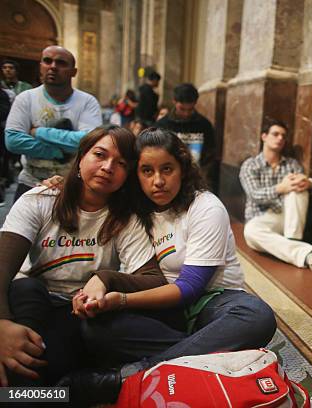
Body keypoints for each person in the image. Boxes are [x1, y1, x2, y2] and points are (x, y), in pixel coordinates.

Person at [59, 128, 277, 406]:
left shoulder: (206, 207)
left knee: (255, 315)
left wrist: (122, 300)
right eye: (146, 171)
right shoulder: (137, 209)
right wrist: (62, 184)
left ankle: (128, 377)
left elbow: (190, 288)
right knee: (96, 328)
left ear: (183, 169)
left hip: (211, 305)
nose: (158, 181)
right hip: (166, 311)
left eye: (167, 169)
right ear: (135, 175)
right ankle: (205, 350)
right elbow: (89, 193)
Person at [0, 125, 164, 388]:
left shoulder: (125, 218)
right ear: (81, 159)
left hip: (77, 312)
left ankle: (45, 393)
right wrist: (2, 326)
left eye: (121, 163)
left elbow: (154, 279)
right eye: (99, 155)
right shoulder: (40, 200)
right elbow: (2, 269)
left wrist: (105, 278)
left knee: (44, 367)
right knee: (26, 290)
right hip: (30, 302)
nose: (108, 167)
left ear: (127, 175)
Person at [4, 46, 102, 202]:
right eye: (47, 61)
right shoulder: (25, 99)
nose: (53, 67)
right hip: (31, 182)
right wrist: (57, 152)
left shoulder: (87, 102)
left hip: (72, 185)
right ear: (41, 66)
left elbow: (89, 141)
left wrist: (39, 132)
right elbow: (13, 140)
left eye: (61, 63)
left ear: (73, 72)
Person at [239, 119, 312, 275]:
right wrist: (281, 188)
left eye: (283, 135)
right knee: (251, 232)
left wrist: (308, 182)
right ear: (264, 137)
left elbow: (304, 186)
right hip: (262, 218)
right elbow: (255, 195)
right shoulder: (250, 165)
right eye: (275, 134)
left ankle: (292, 241)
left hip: (289, 217)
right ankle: (308, 255)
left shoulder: (292, 164)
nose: (280, 138)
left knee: (298, 187)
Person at [154, 83, 218, 192]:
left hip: (196, 181)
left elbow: (210, 155)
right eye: (182, 109)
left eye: (190, 109)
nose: (186, 113)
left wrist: (204, 180)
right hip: (167, 180)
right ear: (174, 101)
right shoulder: (162, 125)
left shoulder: (204, 125)